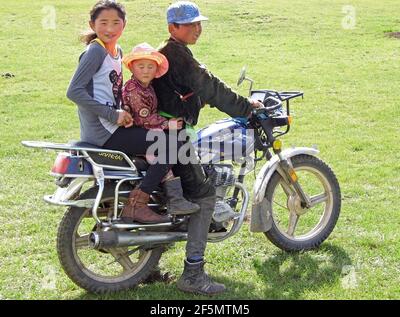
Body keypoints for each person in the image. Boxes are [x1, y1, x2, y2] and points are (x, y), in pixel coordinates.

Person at [152, 1, 264, 295]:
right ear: (172, 28)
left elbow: (196, 92)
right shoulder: (175, 54)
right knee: (203, 195)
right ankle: (193, 274)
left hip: (168, 131)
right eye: (190, 24)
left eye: (199, 23)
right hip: (172, 136)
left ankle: (149, 265)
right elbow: (209, 85)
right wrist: (245, 107)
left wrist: (212, 101)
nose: (197, 29)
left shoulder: (173, 53)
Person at [66, 0, 194, 225]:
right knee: (169, 145)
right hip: (102, 132)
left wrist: (124, 110)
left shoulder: (116, 52)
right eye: (103, 22)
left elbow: (112, 91)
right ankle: (138, 205)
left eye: (116, 23)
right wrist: (112, 114)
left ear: (124, 25)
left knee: (164, 139)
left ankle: (159, 196)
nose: (110, 28)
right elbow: (74, 91)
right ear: (92, 24)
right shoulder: (95, 52)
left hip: (113, 126)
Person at [121, 43, 199, 216]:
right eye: (141, 66)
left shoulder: (146, 86)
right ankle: (172, 198)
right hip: (139, 131)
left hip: (146, 130)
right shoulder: (134, 89)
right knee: (166, 152)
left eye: (150, 66)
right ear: (132, 67)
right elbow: (143, 118)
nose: (146, 70)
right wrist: (167, 123)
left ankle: (170, 197)